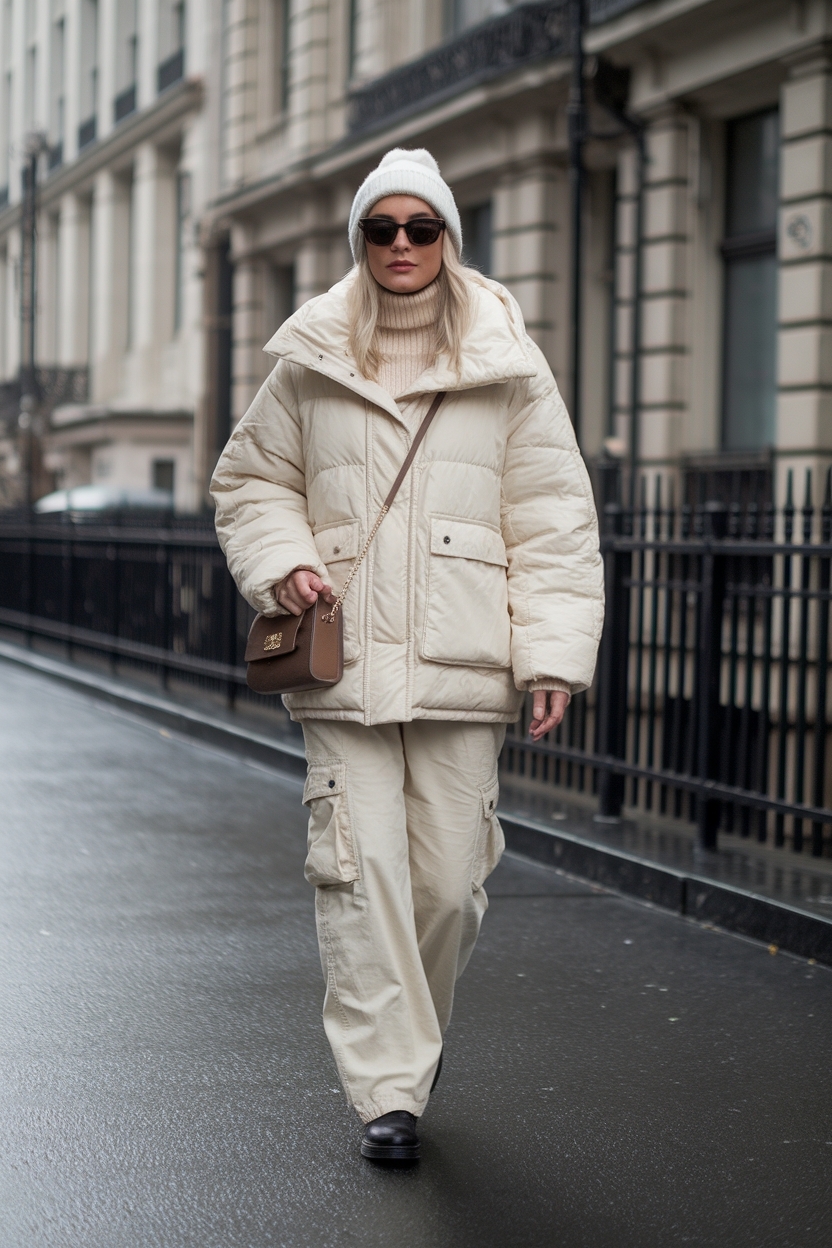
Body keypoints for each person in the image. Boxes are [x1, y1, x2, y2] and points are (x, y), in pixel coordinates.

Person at [211, 149, 604, 1163]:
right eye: (379, 229)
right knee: (359, 871)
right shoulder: (308, 358)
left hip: (463, 660)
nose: (398, 245)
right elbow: (249, 483)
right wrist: (285, 564)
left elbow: (554, 519)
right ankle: (389, 1088)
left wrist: (550, 658)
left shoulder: (509, 360)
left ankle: (409, 1045)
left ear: (447, 239)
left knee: (443, 887)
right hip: (341, 665)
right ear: (358, 239)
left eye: (418, 229)